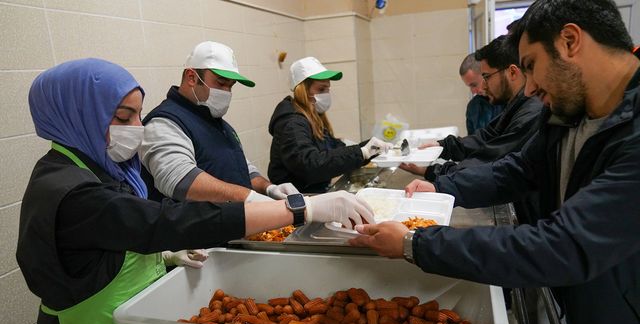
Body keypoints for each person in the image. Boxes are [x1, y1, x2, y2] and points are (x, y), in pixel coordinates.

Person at [17, 58, 374, 324]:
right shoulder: (71, 189)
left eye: (138, 115)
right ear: (78, 115)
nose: (137, 127)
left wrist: (162, 254)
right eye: (125, 117)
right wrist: (298, 209)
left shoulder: (101, 166)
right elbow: (161, 221)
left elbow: (122, 231)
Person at [351, 0, 640, 324]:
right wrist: (445, 187)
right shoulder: (569, 113)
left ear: (570, 41)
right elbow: (517, 170)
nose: (530, 87)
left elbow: (563, 245)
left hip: (623, 323)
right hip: (581, 305)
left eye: (532, 65)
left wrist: (413, 243)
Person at [140, 41, 297, 203]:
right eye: (221, 83)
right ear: (192, 77)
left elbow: (242, 168)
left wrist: (269, 188)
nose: (226, 92)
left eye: (230, 86)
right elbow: (180, 180)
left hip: (234, 222)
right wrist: (246, 197)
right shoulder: (163, 123)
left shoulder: (217, 123)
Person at [400, 35, 543, 185]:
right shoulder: (514, 105)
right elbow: (486, 138)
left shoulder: (530, 112)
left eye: (486, 77)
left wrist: (433, 174)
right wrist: (443, 146)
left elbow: (488, 161)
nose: (483, 87)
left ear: (513, 72)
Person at [267, 56, 393, 193]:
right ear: (302, 90)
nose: (326, 94)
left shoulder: (313, 117)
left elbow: (334, 149)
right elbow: (309, 165)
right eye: (321, 90)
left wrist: (369, 149)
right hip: (296, 196)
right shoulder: (292, 123)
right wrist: (361, 152)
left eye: (327, 89)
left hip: (315, 189)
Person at [459, 53, 504, 135]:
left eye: (474, 85)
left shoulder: (508, 100)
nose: (473, 91)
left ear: (485, 75)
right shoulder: (472, 107)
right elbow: (471, 142)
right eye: (469, 86)